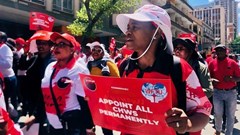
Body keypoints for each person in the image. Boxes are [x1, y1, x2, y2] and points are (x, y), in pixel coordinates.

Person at [116, 4, 212, 135]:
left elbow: (203, 112)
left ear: (157, 33)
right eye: (128, 27)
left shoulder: (178, 68)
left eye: (135, 27)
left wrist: (188, 124)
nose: (128, 32)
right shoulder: (125, 66)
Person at [41, 32, 95, 135]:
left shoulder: (80, 70)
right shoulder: (50, 67)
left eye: (62, 44)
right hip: (53, 124)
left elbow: (86, 101)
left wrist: (89, 127)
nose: (56, 47)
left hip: (72, 126)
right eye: (55, 44)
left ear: (72, 49)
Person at [18, 30, 56, 135]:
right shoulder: (35, 58)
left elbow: (46, 90)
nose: (40, 46)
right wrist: (24, 53)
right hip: (31, 101)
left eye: (44, 43)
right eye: (38, 43)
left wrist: (36, 114)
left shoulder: (52, 63)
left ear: (50, 46)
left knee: (43, 129)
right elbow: (21, 67)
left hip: (43, 104)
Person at [87, 41, 120, 135]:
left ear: (103, 52)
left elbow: (117, 80)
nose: (95, 52)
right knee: (90, 124)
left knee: (106, 125)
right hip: (93, 98)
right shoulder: (89, 64)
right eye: (93, 50)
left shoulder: (108, 63)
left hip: (105, 99)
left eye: (98, 50)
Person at [208, 44, 240, 135]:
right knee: (218, 114)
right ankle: (218, 131)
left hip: (231, 92)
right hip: (217, 92)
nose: (219, 52)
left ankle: (228, 133)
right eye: (218, 50)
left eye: (221, 50)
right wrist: (212, 80)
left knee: (230, 115)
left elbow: (239, 78)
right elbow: (208, 77)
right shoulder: (212, 63)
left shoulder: (232, 63)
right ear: (216, 52)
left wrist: (231, 79)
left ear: (225, 51)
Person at [0, 31, 18, 120]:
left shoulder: (5, 48)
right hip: (2, 78)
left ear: (2, 40)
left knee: (6, 100)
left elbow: (8, 65)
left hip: (8, 79)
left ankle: (9, 120)